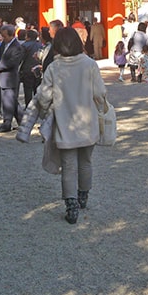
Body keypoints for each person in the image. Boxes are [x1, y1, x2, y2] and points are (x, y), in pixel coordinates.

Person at [17, 27, 108, 224]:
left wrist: (43, 111)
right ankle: (83, 195)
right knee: (86, 162)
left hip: (65, 122)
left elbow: (44, 96)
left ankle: (71, 204)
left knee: (68, 166)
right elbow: (100, 93)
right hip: (88, 120)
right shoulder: (90, 64)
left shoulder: (54, 68)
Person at [0, 25, 25, 133]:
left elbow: (13, 63)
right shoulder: (5, 43)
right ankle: (23, 121)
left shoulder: (17, 47)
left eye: (4, 36)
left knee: (8, 102)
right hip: (3, 77)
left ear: (11, 35)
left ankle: (7, 123)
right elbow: (0, 52)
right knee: (12, 101)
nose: (3, 38)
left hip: (10, 77)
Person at [18, 28, 43, 106]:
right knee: (37, 89)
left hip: (27, 70)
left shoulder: (24, 46)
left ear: (28, 37)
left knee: (28, 90)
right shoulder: (40, 45)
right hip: (38, 69)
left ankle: (28, 106)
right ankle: (37, 106)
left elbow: (20, 58)